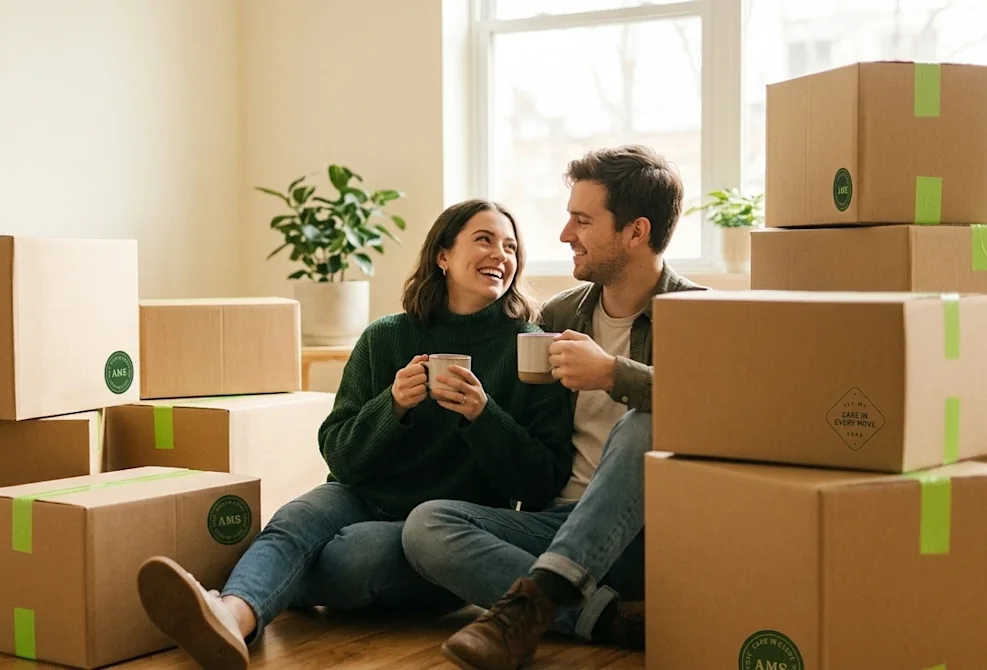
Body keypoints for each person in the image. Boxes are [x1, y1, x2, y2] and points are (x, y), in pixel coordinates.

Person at [133, 198, 575, 670]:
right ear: (442, 256)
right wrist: (392, 406)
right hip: (360, 494)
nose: (500, 255)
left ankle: (269, 583)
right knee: (295, 518)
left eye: (510, 247)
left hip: (438, 532)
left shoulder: (531, 348)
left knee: (350, 558)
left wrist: (484, 418)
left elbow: (540, 481)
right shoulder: (385, 337)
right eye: (484, 240)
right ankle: (230, 617)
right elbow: (340, 455)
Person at [401, 145, 708, 669]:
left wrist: (614, 375)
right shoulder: (560, 313)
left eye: (582, 220)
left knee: (643, 423)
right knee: (426, 526)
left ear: (636, 231)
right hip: (556, 522)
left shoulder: (700, 314)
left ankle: (535, 602)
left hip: (649, 536)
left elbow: (721, 411)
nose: (566, 235)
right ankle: (607, 617)